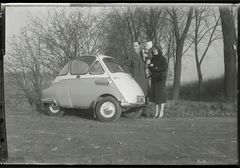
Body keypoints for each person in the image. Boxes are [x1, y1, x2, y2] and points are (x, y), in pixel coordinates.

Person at [149, 45, 168, 118]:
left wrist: (156, 68)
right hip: (154, 79)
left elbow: (165, 67)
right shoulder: (153, 58)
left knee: (161, 95)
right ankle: (156, 113)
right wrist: (151, 67)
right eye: (153, 50)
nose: (154, 51)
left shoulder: (162, 58)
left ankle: (161, 112)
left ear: (159, 50)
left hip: (160, 79)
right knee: (155, 96)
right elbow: (151, 67)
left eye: (155, 49)